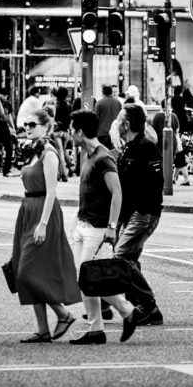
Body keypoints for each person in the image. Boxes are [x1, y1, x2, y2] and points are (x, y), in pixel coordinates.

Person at [67, 109, 140, 345]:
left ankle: (126, 311)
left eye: (71, 128)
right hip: (83, 225)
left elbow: (117, 193)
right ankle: (97, 328)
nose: (69, 132)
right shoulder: (87, 155)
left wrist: (111, 227)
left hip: (98, 229)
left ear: (79, 132)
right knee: (87, 279)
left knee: (87, 278)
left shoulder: (103, 157)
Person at [10, 108, 81, 343]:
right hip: (28, 211)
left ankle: (63, 314)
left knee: (28, 272)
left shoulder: (49, 153)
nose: (27, 128)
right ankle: (42, 329)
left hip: (43, 213)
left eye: (32, 125)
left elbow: (52, 192)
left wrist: (42, 224)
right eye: (26, 125)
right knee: (26, 270)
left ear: (45, 127)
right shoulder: (33, 150)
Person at [114, 104, 165, 326]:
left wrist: (142, 212)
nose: (116, 123)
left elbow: (157, 184)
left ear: (127, 124)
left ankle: (148, 303)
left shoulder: (146, 147)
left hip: (143, 214)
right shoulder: (127, 148)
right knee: (130, 258)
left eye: (119, 120)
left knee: (121, 257)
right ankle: (143, 308)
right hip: (129, 215)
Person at [53, 86, 73, 180]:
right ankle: (70, 165)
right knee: (63, 151)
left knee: (59, 153)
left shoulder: (55, 105)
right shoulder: (69, 106)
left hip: (56, 132)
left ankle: (63, 174)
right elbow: (70, 119)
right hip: (66, 133)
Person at [95, 85, 122, 150]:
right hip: (115, 133)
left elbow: (96, 119)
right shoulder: (118, 103)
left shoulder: (99, 103)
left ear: (103, 93)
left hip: (101, 133)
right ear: (111, 92)